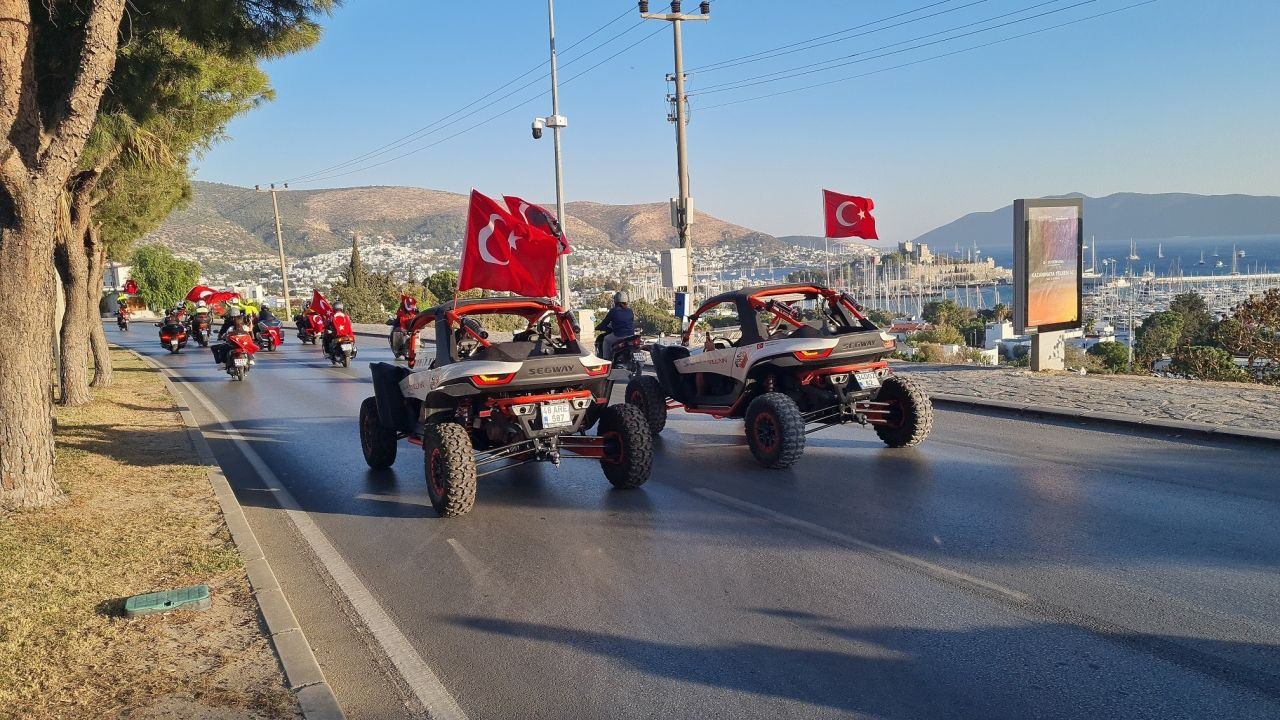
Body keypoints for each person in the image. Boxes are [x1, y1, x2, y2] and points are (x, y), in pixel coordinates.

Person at [596, 291, 635, 360]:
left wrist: (599, 327)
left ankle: (606, 360)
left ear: (615, 301)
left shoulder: (613, 311)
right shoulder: (630, 311)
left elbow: (605, 322)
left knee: (606, 340)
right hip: (631, 335)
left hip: (619, 335)